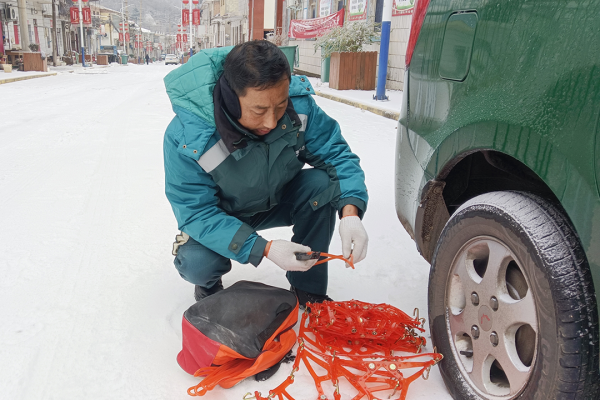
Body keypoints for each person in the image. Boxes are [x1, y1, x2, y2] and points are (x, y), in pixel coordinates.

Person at [162, 41, 369, 307]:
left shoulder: (300, 106)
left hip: (278, 198)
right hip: (225, 212)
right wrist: (265, 249)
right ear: (231, 98)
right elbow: (196, 212)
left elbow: (336, 154)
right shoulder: (188, 137)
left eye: (280, 106)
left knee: (321, 185)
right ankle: (208, 285)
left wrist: (351, 214)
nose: (271, 121)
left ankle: (308, 289)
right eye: (259, 110)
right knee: (198, 263)